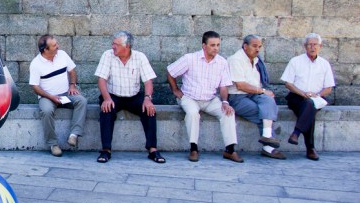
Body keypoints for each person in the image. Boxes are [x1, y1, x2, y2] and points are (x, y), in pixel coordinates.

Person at [166, 31, 243, 163]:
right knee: (192, 113)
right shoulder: (190, 59)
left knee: (228, 113)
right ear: (204, 45)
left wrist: (225, 102)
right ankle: (193, 149)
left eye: (218, 45)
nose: (216, 48)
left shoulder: (222, 62)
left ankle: (230, 150)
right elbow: (170, 71)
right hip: (190, 98)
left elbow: (224, 86)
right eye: (212, 45)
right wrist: (176, 90)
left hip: (210, 100)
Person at [95, 31, 164, 164]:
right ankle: (106, 150)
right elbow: (101, 79)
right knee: (106, 111)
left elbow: (148, 81)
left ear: (126, 46)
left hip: (134, 96)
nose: (113, 47)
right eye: (112, 43)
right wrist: (106, 98)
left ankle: (153, 150)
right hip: (112, 95)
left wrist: (148, 98)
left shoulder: (140, 57)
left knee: (149, 110)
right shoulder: (107, 55)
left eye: (116, 44)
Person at [227, 35, 285, 160]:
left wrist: (264, 93)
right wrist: (262, 91)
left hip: (254, 94)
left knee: (269, 100)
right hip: (237, 97)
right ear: (245, 46)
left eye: (259, 47)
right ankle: (268, 147)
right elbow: (240, 85)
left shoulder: (257, 60)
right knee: (263, 113)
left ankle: (267, 136)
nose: (257, 49)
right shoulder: (235, 60)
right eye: (254, 46)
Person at [29, 34, 87, 157]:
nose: (58, 46)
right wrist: (51, 97)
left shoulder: (62, 55)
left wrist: (72, 86)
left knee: (81, 101)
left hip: (65, 94)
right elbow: (35, 87)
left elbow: (72, 71)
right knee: (46, 110)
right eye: (54, 45)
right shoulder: (36, 64)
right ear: (45, 49)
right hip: (47, 97)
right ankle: (53, 144)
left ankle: (74, 135)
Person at [281, 33, 335, 161]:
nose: (312, 47)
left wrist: (318, 95)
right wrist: (303, 94)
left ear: (320, 46)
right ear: (305, 46)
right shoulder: (296, 61)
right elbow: (288, 83)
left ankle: (296, 133)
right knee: (309, 107)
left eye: (315, 44)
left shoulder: (324, 64)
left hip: (316, 97)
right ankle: (310, 148)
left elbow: (328, 88)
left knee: (310, 104)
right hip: (297, 96)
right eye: (309, 44)